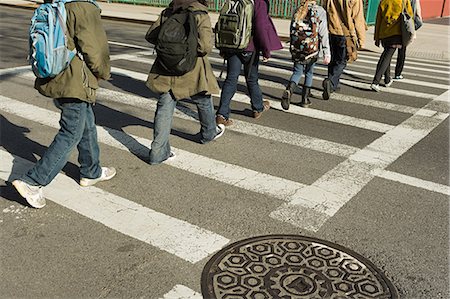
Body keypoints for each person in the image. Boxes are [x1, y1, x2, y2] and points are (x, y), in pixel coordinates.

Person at [12, 0, 115, 209]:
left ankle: (91, 171)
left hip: (57, 75)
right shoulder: (83, 7)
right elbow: (95, 49)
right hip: (75, 80)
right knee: (71, 132)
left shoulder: (57, 5)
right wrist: (103, 72)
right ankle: (33, 181)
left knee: (86, 124)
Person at [145, 0, 225, 165]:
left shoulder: (169, 11)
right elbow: (205, 47)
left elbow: (151, 35)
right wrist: (186, 51)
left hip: (166, 68)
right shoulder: (200, 14)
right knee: (203, 97)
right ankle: (209, 132)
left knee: (164, 108)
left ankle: (158, 153)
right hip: (191, 68)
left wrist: (171, 51)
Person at [215, 0, 283, 126]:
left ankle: (221, 114)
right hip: (249, 46)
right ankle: (257, 108)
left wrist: (223, 48)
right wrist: (266, 50)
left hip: (232, 44)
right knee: (251, 78)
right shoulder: (259, 2)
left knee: (230, 79)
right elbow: (260, 27)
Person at [282, 0, 331, 109]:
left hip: (298, 49)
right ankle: (305, 99)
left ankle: (289, 90)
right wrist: (326, 52)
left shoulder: (298, 10)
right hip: (312, 49)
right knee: (309, 72)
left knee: (297, 72)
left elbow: (291, 30)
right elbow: (323, 33)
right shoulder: (320, 11)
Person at [321, 0, 366, 100]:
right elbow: (358, 18)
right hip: (345, 33)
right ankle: (331, 82)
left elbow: (325, 10)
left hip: (330, 30)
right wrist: (361, 40)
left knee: (333, 59)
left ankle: (333, 84)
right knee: (342, 61)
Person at [371, 0, 414, 92]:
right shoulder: (403, 1)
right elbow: (410, 15)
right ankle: (376, 81)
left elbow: (378, 19)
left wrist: (377, 37)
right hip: (396, 32)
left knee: (387, 54)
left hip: (384, 33)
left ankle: (387, 79)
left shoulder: (383, 1)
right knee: (387, 55)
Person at [394, 0, 422, 80]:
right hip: (406, 27)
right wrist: (412, 28)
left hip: (394, 26)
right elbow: (419, 17)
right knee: (402, 51)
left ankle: (386, 75)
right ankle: (398, 74)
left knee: (389, 51)